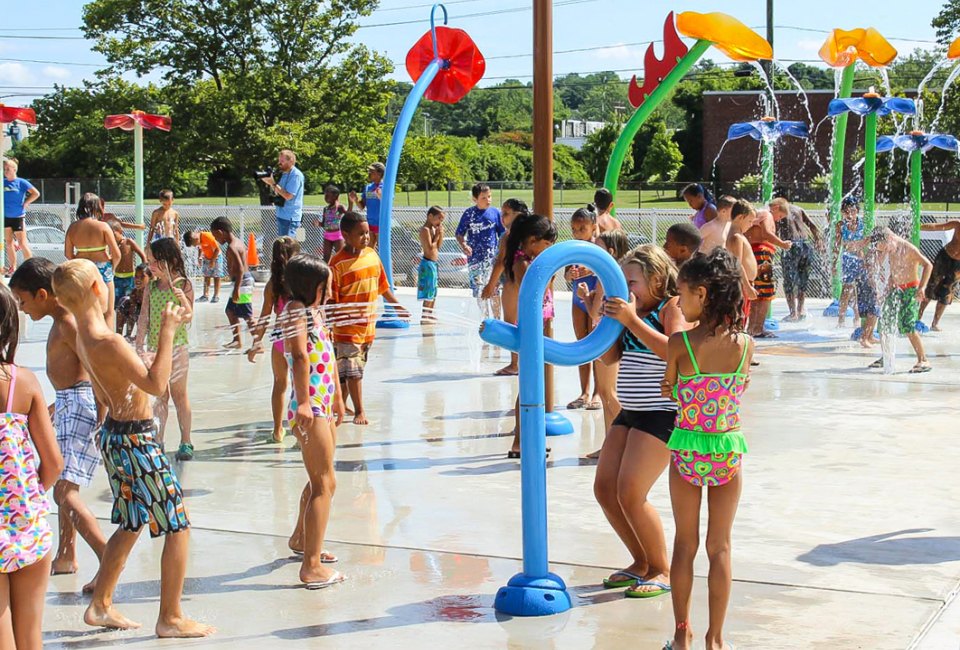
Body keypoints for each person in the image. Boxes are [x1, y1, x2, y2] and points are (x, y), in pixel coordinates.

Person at [53, 259, 213, 638]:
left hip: (115, 436)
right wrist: (168, 332)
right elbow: (157, 385)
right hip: (137, 440)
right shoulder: (107, 340)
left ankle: (100, 604)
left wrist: (168, 328)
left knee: (131, 521)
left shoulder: (83, 336)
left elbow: (119, 380)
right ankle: (171, 617)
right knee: (177, 525)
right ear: (97, 288)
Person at [661, 248, 754, 650]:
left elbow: (670, 388)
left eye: (682, 294)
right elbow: (740, 389)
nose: (679, 303)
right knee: (721, 547)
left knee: (685, 543)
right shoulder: (746, 346)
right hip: (726, 452)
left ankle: (682, 635)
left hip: (686, 452)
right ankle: (715, 640)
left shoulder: (680, 343)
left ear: (703, 293)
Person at [593, 245, 684, 599]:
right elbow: (611, 356)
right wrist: (607, 324)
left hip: (661, 414)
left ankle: (662, 568)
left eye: (631, 281)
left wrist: (632, 320)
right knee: (605, 489)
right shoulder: (632, 311)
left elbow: (675, 350)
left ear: (658, 280)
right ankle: (640, 561)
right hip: (631, 411)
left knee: (631, 492)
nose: (625, 289)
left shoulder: (670, 307)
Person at [10, 259, 102, 590]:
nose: (21, 308)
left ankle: (108, 559)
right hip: (67, 402)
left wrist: (103, 415)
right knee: (65, 488)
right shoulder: (57, 319)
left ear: (43, 294)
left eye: (23, 300)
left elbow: (94, 368)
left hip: (79, 403)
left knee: (64, 491)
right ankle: (66, 554)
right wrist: (52, 407)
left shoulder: (67, 323)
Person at [0, 282, 63, 648]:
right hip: (28, 524)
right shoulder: (23, 382)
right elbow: (53, 463)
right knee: (30, 638)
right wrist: (26, 499)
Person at [282, 254, 347, 588]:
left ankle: (300, 539)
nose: (331, 289)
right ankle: (311, 566)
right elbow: (299, 355)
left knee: (320, 477)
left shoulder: (315, 311)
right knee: (324, 483)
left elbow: (327, 355)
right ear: (312, 287)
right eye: (326, 285)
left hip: (321, 402)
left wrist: (336, 398)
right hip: (308, 407)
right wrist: (306, 402)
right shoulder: (295, 311)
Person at [329, 211, 409, 425]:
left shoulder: (372, 256)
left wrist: (398, 306)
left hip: (368, 327)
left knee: (348, 372)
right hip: (346, 329)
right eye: (360, 234)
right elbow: (331, 301)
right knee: (353, 372)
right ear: (345, 235)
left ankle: (338, 405)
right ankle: (359, 412)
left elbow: (383, 287)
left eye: (367, 233)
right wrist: (330, 323)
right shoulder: (337, 264)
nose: (366, 237)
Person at [499, 213, 557, 458]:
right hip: (529, 331)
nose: (548, 250)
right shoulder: (522, 263)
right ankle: (519, 441)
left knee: (534, 387)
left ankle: (527, 439)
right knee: (528, 387)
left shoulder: (528, 260)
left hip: (537, 328)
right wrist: (551, 274)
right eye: (547, 245)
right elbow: (533, 292)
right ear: (533, 241)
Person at [135, 238, 196, 459]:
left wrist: (185, 302)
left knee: (179, 395)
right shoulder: (151, 287)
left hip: (177, 348)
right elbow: (143, 317)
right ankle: (158, 439)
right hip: (155, 349)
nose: (148, 266)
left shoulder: (183, 285)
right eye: (148, 261)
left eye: (152, 261)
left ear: (168, 261)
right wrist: (139, 345)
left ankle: (186, 440)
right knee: (160, 396)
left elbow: (189, 317)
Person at [247, 236, 301, 443]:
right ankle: (299, 433)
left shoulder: (273, 284)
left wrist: (256, 343)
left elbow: (264, 316)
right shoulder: (302, 282)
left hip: (280, 339)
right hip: (299, 337)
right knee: (300, 386)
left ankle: (278, 429)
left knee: (280, 384)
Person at [866, 228, 933, 373]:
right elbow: (896, 267)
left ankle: (923, 360)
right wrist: (890, 281)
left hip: (911, 290)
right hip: (896, 289)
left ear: (888, 239)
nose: (884, 251)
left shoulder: (908, 248)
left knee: (907, 324)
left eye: (883, 247)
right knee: (884, 322)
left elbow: (928, 265)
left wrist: (922, 287)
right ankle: (886, 356)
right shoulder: (891, 247)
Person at [481, 198, 529, 376]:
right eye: (502, 214)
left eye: (506, 214)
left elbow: (501, 262)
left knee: (511, 324)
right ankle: (531, 359)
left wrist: (490, 285)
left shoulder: (509, 236)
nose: (502, 217)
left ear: (519, 214)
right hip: (530, 284)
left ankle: (515, 363)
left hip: (512, 283)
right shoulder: (531, 234)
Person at [65, 193, 123, 329]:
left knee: (82, 312)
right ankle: (108, 345)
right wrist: (112, 267)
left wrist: (78, 263)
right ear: (97, 208)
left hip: (82, 269)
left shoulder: (72, 228)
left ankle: (83, 344)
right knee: (108, 312)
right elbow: (117, 254)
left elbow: (68, 254)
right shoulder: (103, 227)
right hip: (102, 268)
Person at [566, 205, 603, 411]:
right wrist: (569, 275)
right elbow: (565, 273)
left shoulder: (598, 247)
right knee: (581, 344)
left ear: (593, 227)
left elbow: (609, 269)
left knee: (595, 345)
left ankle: (598, 391)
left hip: (594, 298)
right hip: (577, 300)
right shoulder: (573, 248)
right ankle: (584, 391)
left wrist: (591, 268)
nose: (577, 233)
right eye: (574, 229)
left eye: (581, 229)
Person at [456, 183, 505, 317]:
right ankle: (485, 319)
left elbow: (503, 234)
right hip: (475, 260)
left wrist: (502, 251)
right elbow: (459, 233)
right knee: (479, 290)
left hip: (492, 259)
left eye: (489, 196)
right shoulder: (469, 214)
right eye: (484, 197)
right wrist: (464, 245)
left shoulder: (495, 213)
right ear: (475, 199)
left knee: (494, 289)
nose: (488, 200)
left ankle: (497, 319)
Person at [769, 197, 822, 322]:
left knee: (789, 281)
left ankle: (793, 313)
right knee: (803, 279)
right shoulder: (798, 209)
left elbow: (774, 233)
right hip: (806, 245)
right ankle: (801, 309)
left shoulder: (777, 214)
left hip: (790, 246)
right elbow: (813, 227)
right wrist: (818, 241)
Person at [744, 208, 791, 338]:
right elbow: (766, 233)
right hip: (762, 255)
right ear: (776, 208)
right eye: (780, 215)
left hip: (754, 253)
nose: (778, 220)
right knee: (766, 292)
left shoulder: (756, 215)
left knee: (757, 291)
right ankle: (758, 329)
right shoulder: (766, 214)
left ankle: (752, 328)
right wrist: (782, 244)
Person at [211, 217, 255, 349]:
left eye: (215, 236)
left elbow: (241, 269)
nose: (216, 239)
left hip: (242, 283)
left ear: (221, 232)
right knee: (230, 311)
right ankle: (237, 341)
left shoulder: (232, 247)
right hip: (241, 282)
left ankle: (258, 343)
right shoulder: (238, 242)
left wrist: (236, 289)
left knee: (248, 316)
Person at [919, 220, 960, 331]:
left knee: (946, 293)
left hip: (958, 265)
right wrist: (919, 226)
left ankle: (935, 323)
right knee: (930, 288)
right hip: (945, 257)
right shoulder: (957, 224)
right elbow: (937, 226)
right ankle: (918, 318)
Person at [3, 158, 39, 276]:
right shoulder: (2, 182)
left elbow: (36, 193)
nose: (6, 171)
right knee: (8, 242)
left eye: (8, 169)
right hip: (5, 216)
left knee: (22, 243)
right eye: (5, 169)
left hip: (18, 216)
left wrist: (27, 202)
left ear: (14, 169)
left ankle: (31, 266)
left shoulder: (21, 182)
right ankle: (12, 267)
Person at [260, 149, 306, 238]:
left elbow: (288, 196)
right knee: (282, 246)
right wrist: (269, 181)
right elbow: (279, 191)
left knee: (288, 246)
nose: (279, 163)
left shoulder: (296, 175)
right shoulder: (284, 174)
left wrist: (273, 183)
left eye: (282, 161)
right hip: (281, 216)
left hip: (291, 218)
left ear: (291, 161)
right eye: (279, 161)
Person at [726, 199, 760, 317]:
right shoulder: (736, 237)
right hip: (741, 285)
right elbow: (737, 264)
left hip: (743, 284)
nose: (751, 225)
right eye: (750, 221)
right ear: (740, 217)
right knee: (740, 318)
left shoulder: (738, 235)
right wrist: (747, 287)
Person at [835, 196, 866, 328]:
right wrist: (834, 263)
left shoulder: (863, 224)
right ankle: (841, 319)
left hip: (860, 259)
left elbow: (868, 242)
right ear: (842, 212)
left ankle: (857, 318)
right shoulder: (841, 225)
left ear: (857, 211)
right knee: (847, 289)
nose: (849, 214)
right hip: (847, 259)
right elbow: (837, 246)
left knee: (859, 290)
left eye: (852, 211)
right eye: (846, 212)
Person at [111, 221, 146, 328]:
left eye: (114, 234)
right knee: (118, 306)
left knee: (131, 304)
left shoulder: (129, 242)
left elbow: (142, 254)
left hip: (129, 279)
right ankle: (119, 329)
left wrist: (144, 267)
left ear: (120, 231)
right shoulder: (112, 245)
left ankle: (129, 331)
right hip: (117, 279)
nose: (112, 237)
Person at [417, 206, 445, 324]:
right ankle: (424, 317)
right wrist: (437, 235)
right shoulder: (425, 230)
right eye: (439, 219)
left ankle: (430, 313)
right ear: (430, 216)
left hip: (433, 264)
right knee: (428, 292)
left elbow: (438, 247)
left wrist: (440, 234)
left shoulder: (433, 230)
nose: (440, 222)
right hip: (427, 264)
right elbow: (429, 249)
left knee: (433, 291)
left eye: (442, 220)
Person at [349, 162, 384, 249]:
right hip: (370, 224)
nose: (369, 173)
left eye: (372, 171)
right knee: (369, 250)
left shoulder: (386, 187)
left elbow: (388, 204)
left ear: (379, 173)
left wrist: (381, 197)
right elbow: (362, 206)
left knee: (383, 251)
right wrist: (356, 200)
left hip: (382, 224)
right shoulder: (368, 187)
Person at [183, 229, 225, 303]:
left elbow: (217, 249)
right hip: (207, 257)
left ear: (193, 238)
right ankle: (205, 295)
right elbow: (200, 248)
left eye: (193, 244)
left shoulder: (207, 236)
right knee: (206, 276)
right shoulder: (197, 240)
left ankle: (216, 296)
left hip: (217, 257)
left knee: (216, 277)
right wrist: (199, 257)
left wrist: (212, 261)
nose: (194, 246)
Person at [117, 264, 148, 341]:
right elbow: (132, 312)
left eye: (142, 277)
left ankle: (140, 337)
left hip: (150, 317)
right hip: (139, 314)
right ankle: (119, 335)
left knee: (141, 314)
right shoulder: (134, 292)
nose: (138, 279)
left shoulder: (152, 292)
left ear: (150, 278)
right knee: (123, 303)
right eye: (136, 277)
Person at [317, 185, 346, 262]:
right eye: (325, 195)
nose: (325, 197)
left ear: (335, 196)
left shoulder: (339, 207)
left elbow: (348, 215)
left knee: (340, 256)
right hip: (327, 235)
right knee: (326, 257)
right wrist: (318, 223)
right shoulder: (325, 209)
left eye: (327, 195)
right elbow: (324, 224)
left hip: (337, 235)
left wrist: (351, 203)